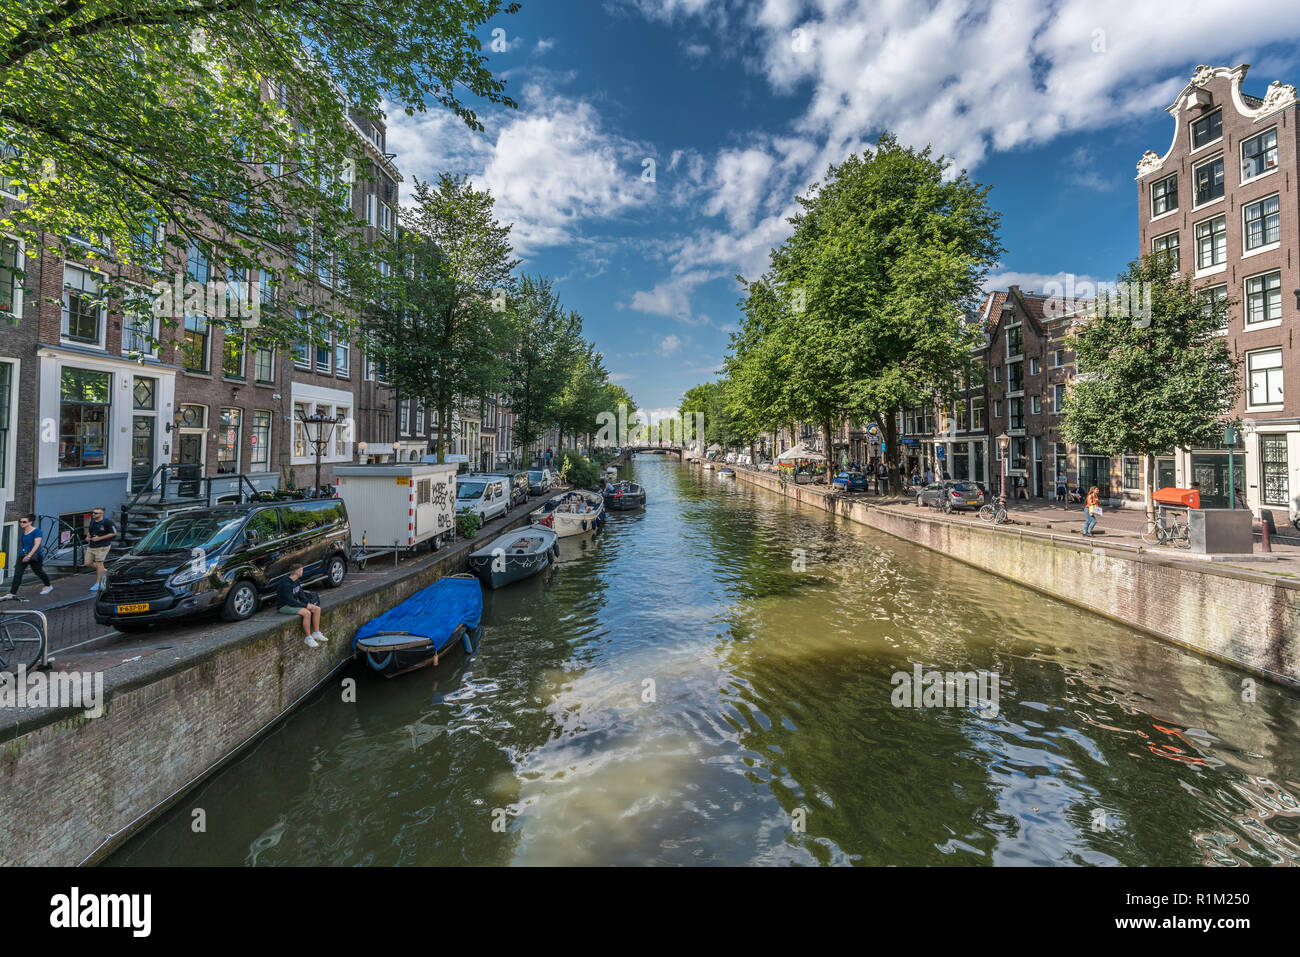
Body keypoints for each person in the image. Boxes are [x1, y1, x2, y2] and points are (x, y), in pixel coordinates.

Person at [276, 565, 325, 648]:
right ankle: (308, 638)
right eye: (301, 570)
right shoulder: (285, 584)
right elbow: (290, 601)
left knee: (317, 609)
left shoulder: (296, 581)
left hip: (293, 603)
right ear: (297, 572)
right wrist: (305, 606)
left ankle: (316, 633)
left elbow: (301, 594)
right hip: (284, 606)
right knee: (307, 613)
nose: (302, 571)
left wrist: (309, 603)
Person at [5, 515, 54, 598]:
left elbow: (37, 545)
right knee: (17, 573)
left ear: (30, 522)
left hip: (34, 555)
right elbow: (23, 544)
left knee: (38, 571)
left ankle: (48, 585)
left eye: (24, 522)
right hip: (22, 555)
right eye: (20, 521)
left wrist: (29, 555)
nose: (21, 523)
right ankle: (12, 593)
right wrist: (23, 554)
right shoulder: (23, 532)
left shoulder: (37, 531)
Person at [84, 506, 117, 592]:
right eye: (93, 512)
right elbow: (90, 531)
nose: (93, 514)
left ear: (102, 514)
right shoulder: (92, 521)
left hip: (103, 546)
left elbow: (114, 533)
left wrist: (100, 538)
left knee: (99, 563)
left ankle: (98, 583)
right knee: (87, 563)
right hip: (92, 545)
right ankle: (106, 571)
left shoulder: (108, 522)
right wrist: (88, 537)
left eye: (95, 513)